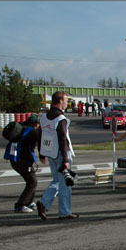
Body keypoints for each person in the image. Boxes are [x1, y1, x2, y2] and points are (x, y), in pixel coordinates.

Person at [37, 91, 78, 220]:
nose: (67, 103)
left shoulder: (44, 117)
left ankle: (44, 203)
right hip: (61, 153)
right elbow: (63, 138)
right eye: (66, 100)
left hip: (50, 153)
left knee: (56, 180)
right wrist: (66, 158)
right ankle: (64, 211)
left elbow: (40, 135)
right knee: (65, 183)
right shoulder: (61, 119)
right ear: (60, 101)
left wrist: (41, 153)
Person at [4, 114, 40, 213]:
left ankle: (29, 202)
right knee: (32, 181)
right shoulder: (32, 132)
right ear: (36, 124)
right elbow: (39, 143)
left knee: (32, 180)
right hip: (22, 160)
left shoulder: (22, 129)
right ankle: (20, 204)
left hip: (15, 159)